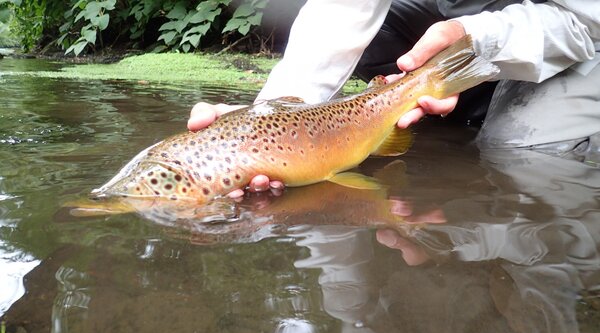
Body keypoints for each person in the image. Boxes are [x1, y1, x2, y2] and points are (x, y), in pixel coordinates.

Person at [187, 0, 600, 197]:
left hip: (578, 30)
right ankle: (455, 93)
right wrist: (275, 114)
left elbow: (585, 21)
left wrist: (482, 40)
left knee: (516, 149)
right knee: (367, 34)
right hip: (453, 15)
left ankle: (493, 96)